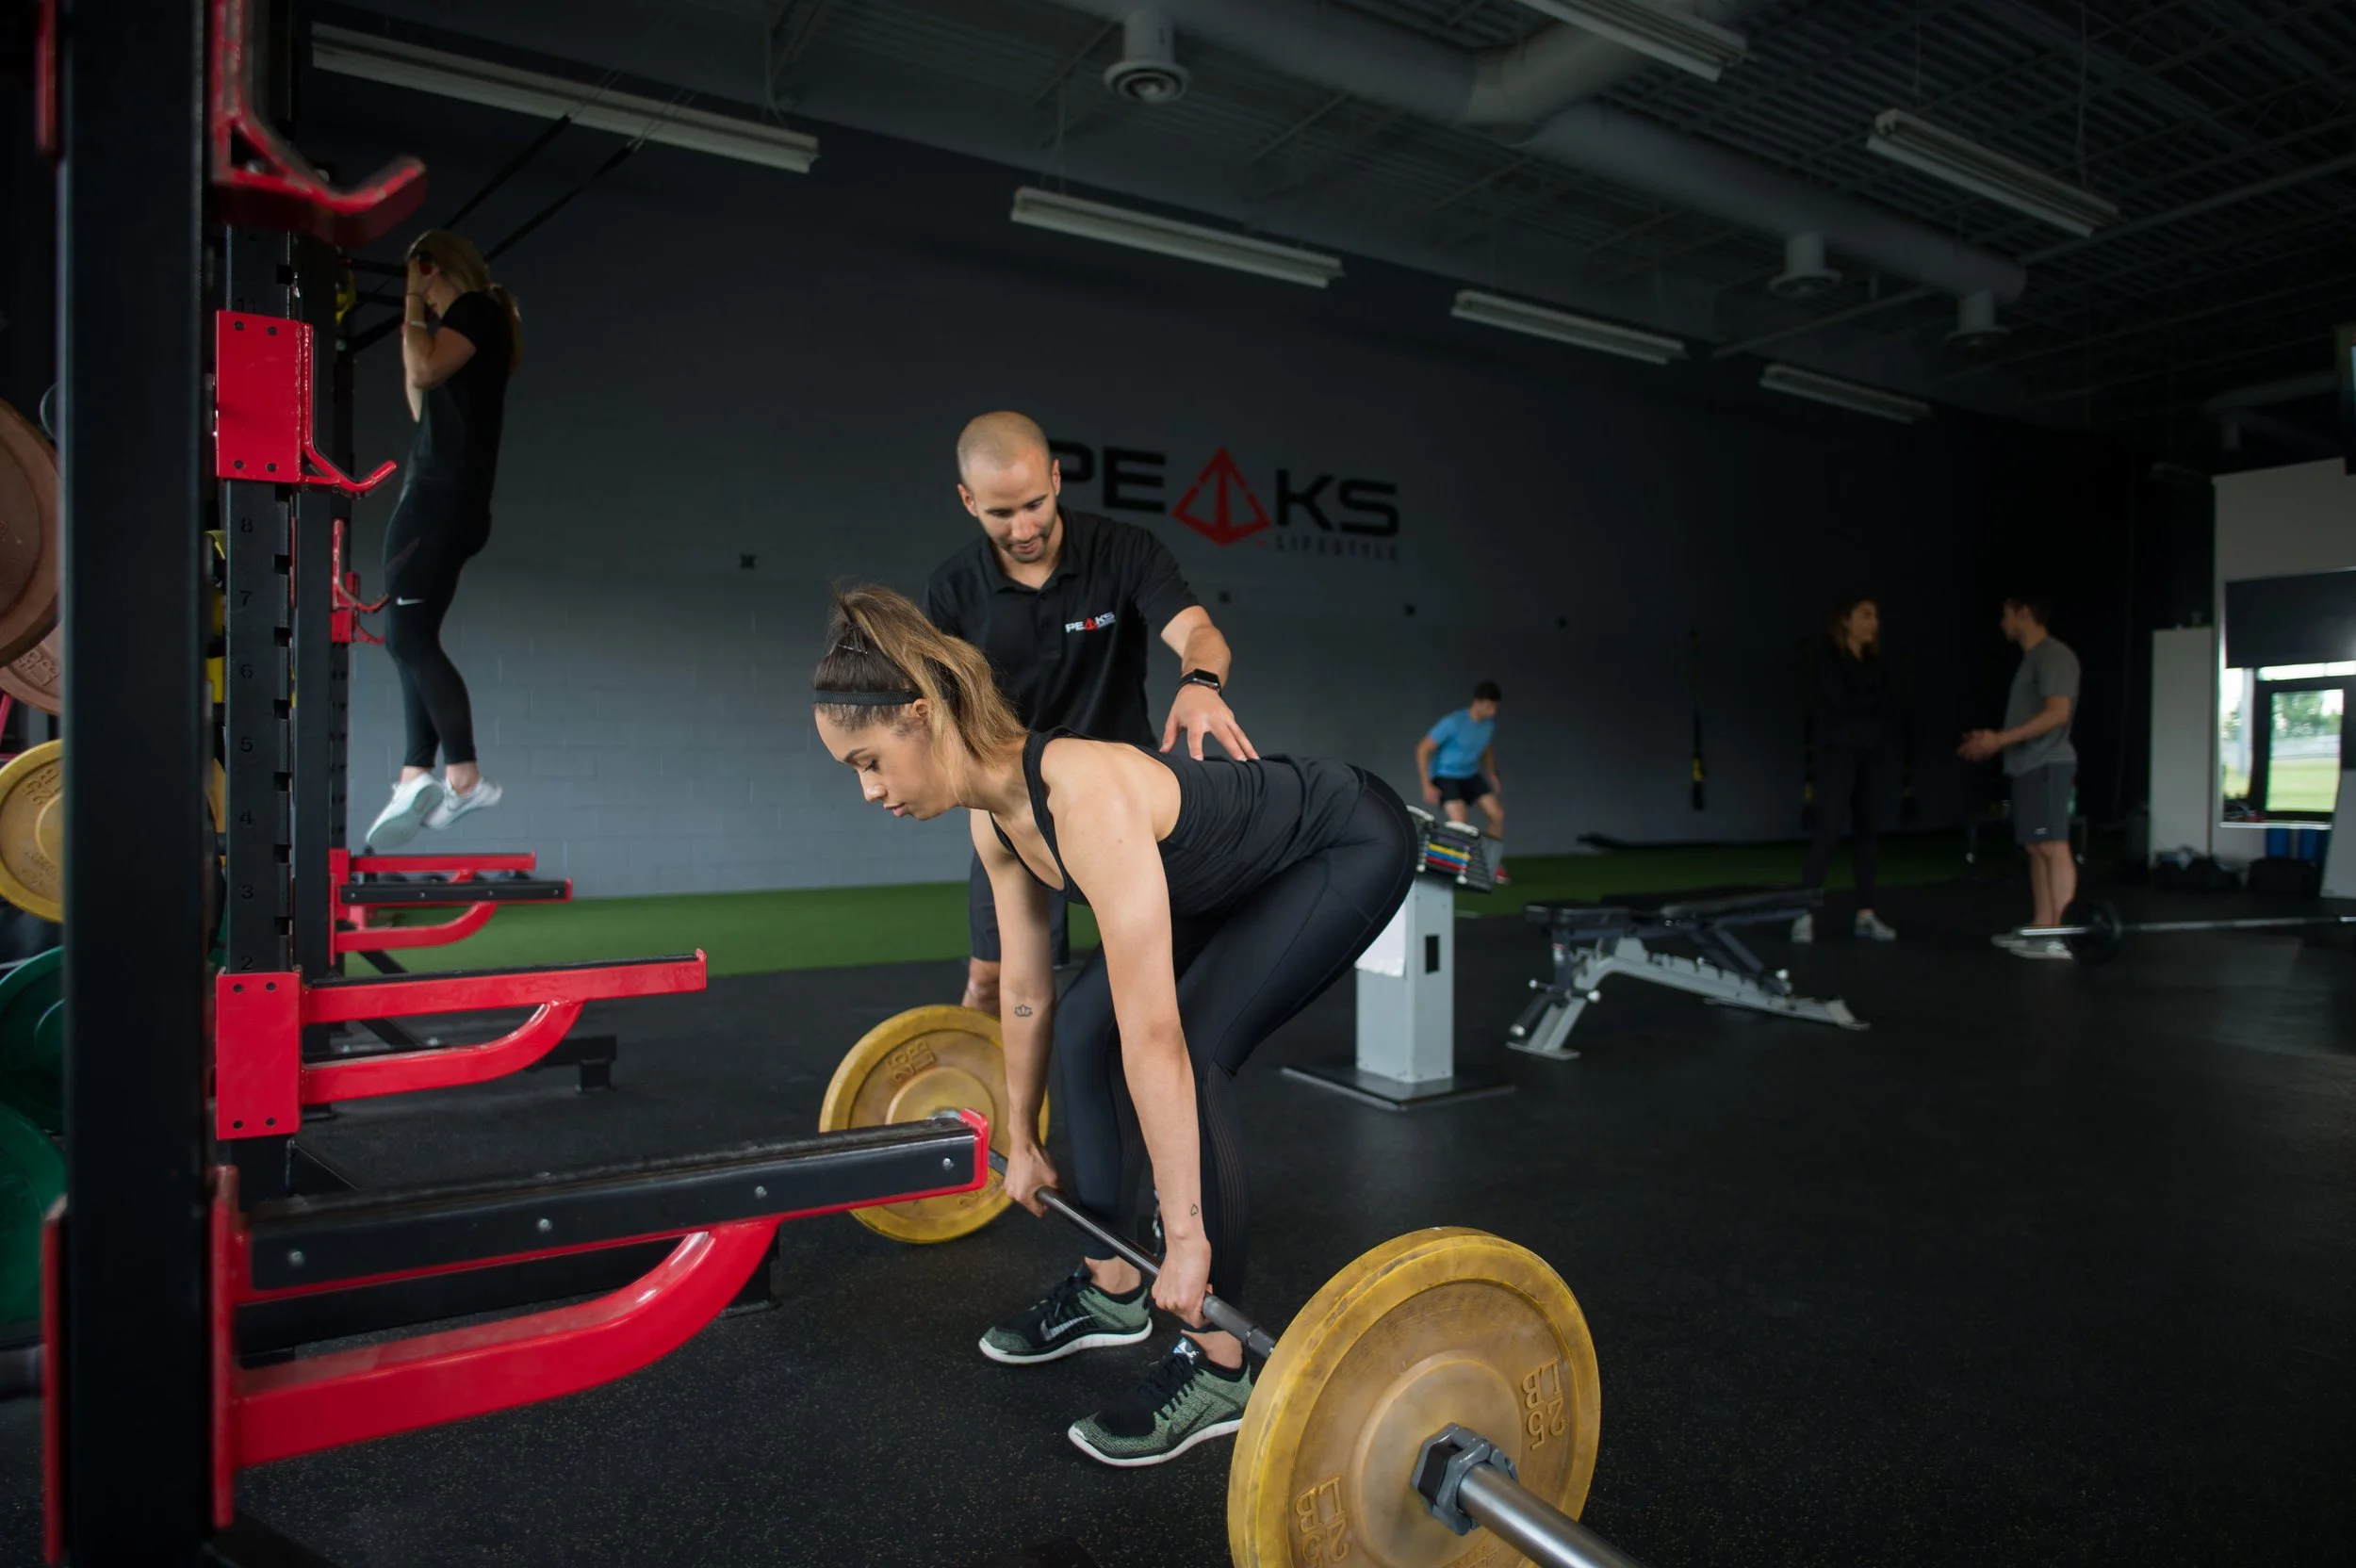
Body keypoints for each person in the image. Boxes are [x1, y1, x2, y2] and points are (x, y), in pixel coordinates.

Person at [812, 587, 1414, 1467]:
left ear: (923, 715)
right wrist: (1022, 1134)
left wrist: (1190, 1233)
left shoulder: (1082, 796)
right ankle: (1114, 1285)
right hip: (1230, 876)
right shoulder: (993, 819)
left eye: (869, 761)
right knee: (1085, 1019)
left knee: (1197, 1048)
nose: (868, 791)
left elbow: (1159, 1044)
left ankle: (1220, 1365)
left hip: (1342, 843)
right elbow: (1026, 990)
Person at [925, 412, 1253, 1013]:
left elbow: (1199, 632)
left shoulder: (1124, 551)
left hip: (1119, 799)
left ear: (1056, 478)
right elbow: (942, 709)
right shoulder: (952, 592)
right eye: (1001, 513)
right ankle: (985, 1103)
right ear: (968, 500)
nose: (1024, 528)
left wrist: (1201, 681)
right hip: (1013, 801)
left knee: (1147, 984)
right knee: (992, 982)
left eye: (1034, 504)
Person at [365, 230, 516, 850]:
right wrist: (417, 324)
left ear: (435, 268)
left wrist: (409, 309)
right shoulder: (471, 327)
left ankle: (464, 776)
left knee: (405, 635)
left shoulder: (478, 310)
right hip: (452, 502)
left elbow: (423, 369)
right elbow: (417, 391)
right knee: (411, 637)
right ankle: (414, 773)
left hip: (438, 498)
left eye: (418, 276)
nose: (415, 290)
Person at [1958, 595, 2081, 958]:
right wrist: (1995, 739)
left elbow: (2058, 713)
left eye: (2005, 613)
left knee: (2053, 845)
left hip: (2047, 764)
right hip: (2028, 766)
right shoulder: (2034, 659)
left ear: (2024, 612)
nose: (2002, 622)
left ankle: (2064, 932)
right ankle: (2042, 927)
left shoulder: (2054, 655)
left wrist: (2000, 740)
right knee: (2035, 847)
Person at [1794, 597, 1901, 943]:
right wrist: (1863, 712)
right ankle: (1803, 912)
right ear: (1845, 620)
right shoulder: (1825, 657)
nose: (1874, 623)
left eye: (1876, 616)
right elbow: (1838, 702)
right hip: (1837, 753)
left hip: (1871, 754)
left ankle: (1866, 914)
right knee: (1829, 828)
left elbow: (1887, 702)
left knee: (1868, 832)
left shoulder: (1875, 661)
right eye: (1866, 615)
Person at [1415, 681, 1507, 884]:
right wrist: (1427, 784)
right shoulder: (1453, 722)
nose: (1493, 712)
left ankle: (1490, 864)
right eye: (1489, 707)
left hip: (1470, 774)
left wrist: (1492, 773)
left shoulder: (1488, 725)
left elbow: (1486, 748)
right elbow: (1422, 749)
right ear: (1478, 702)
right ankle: (1457, 868)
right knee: (1459, 819)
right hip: (1446, 775)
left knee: (1497, 815)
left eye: (1495, 708)